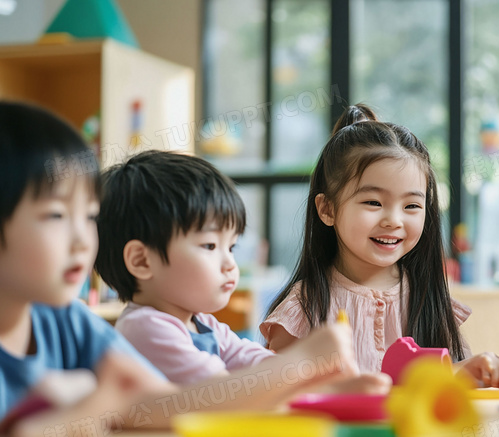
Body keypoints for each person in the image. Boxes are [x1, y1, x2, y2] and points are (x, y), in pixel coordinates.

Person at [0, 102, 373, 437]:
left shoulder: (67, 321)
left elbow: (152, 402)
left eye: (89, 217)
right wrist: (302, 364)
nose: (84, 239)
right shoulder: (143, 323)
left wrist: (317, 381)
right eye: (56, 215)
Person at [262, 105, 499, 388]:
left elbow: (450, 386)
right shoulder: (305, 306)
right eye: (373, 203)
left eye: (412, 206)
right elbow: (275, 395)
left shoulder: (429, 301)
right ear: (327, 208)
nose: (394, 220)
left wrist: (474, 371)